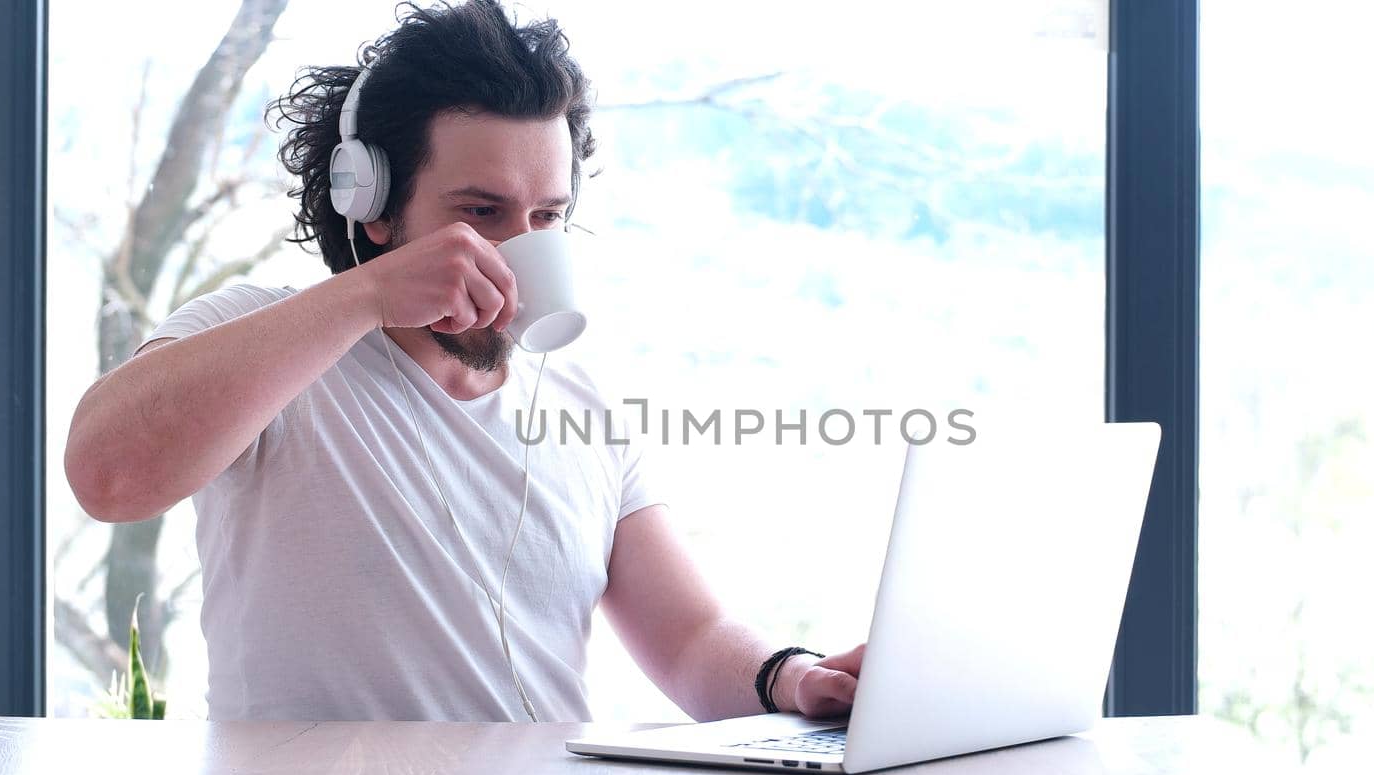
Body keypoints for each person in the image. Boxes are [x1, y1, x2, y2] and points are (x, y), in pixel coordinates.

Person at [64, 0, 863, 723]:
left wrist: (794, 679)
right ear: (372, 206)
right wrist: (364, 296)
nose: (519, 246)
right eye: (481, 213)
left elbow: (692, 642)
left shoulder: (581, 404)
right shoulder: (265, 334)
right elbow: (108, 478)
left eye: (546, 215)